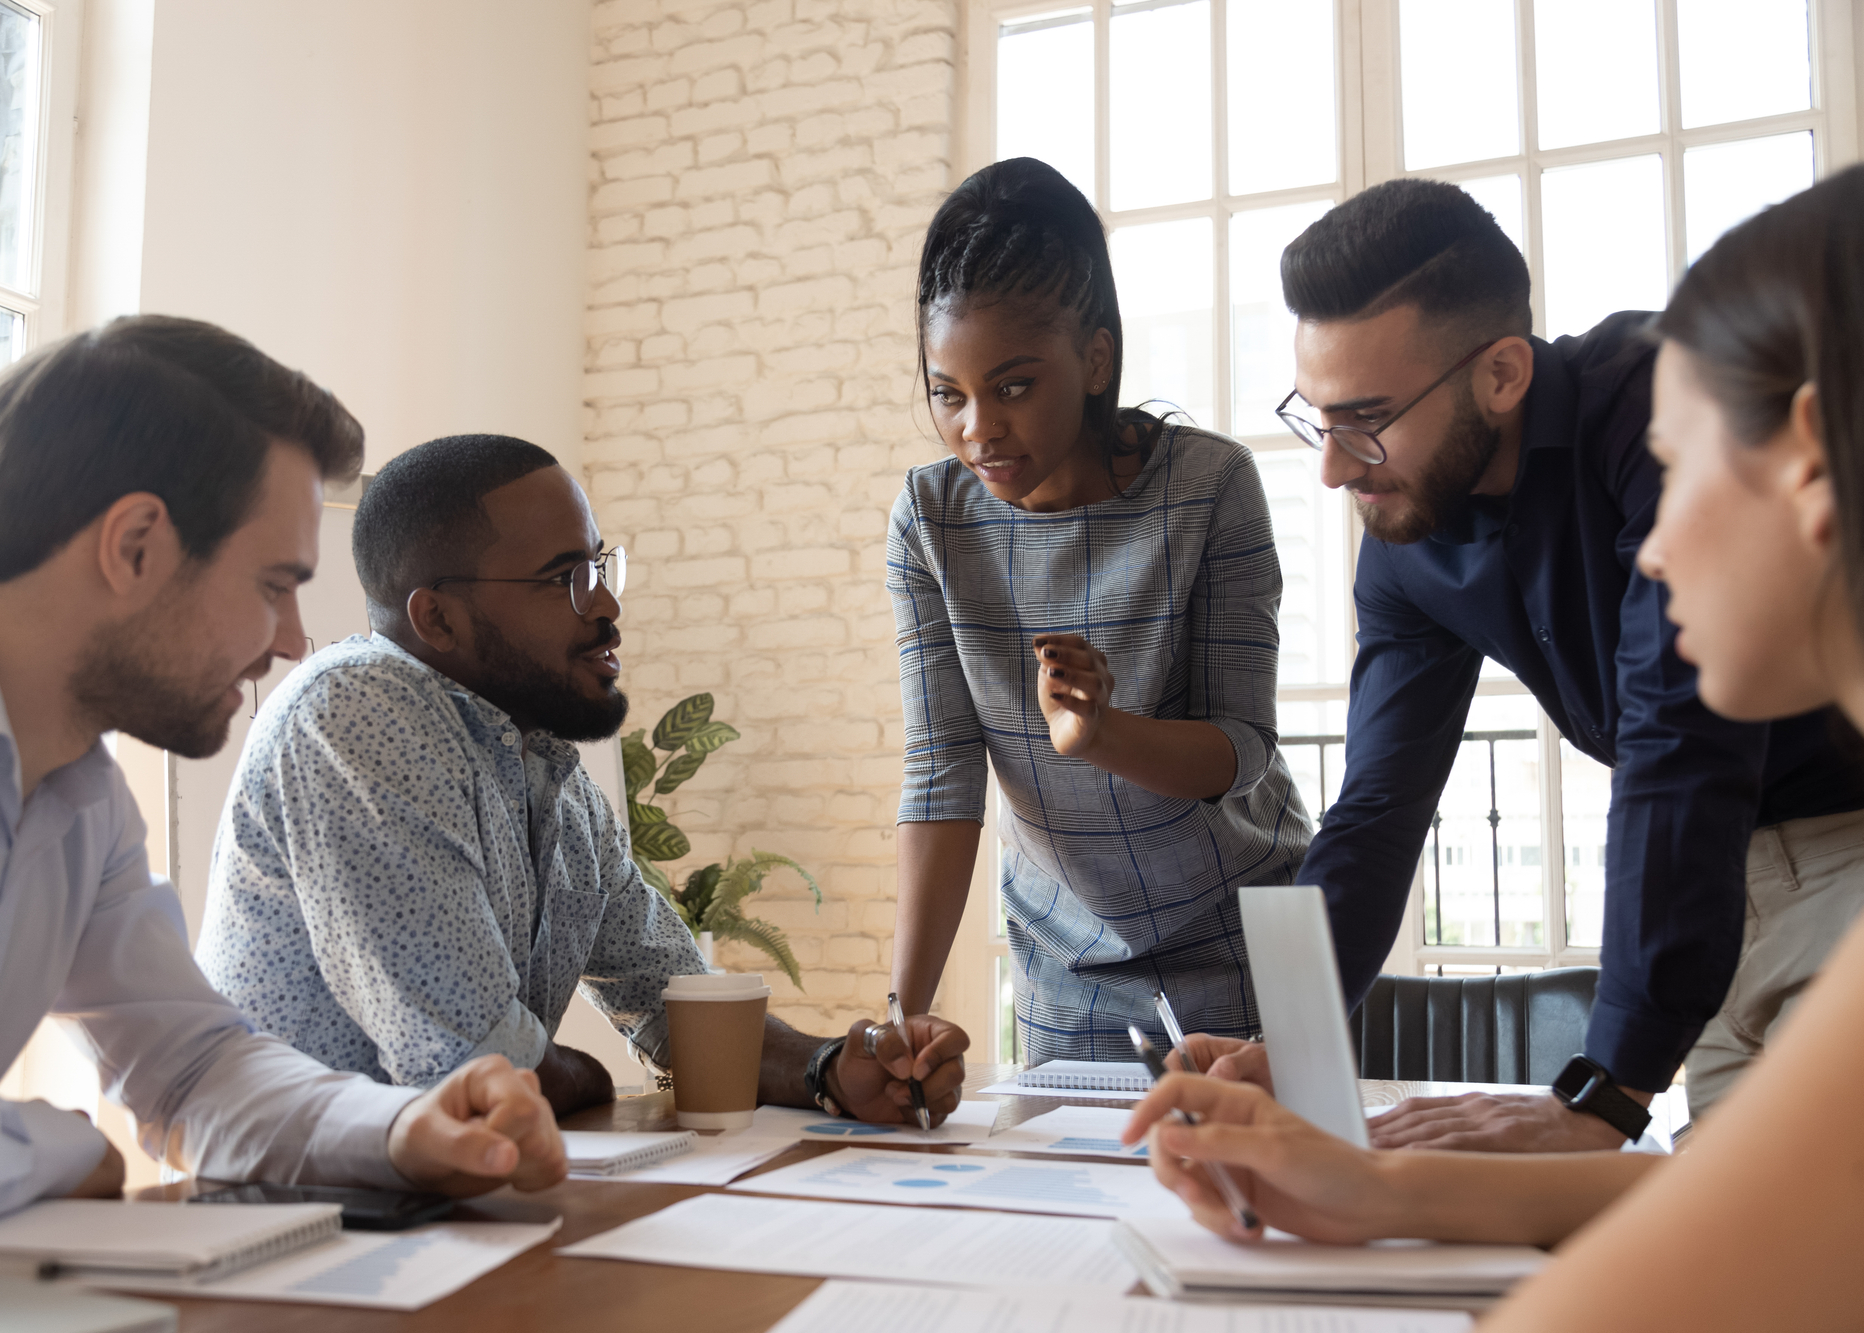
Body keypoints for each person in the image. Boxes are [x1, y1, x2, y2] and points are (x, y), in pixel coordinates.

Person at [1123, 164, 1864, 1330]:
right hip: (1709, 893)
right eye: (1318, 420)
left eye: (1364, 419)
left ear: (1501, 372)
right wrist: (1296, 1047)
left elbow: (1676, 735)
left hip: (1826, 850)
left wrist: (1605, 1087)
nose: (1329, 466)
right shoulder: (1403, 537)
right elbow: (1376, 806)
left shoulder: (1649, 404)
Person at [0, 318, 570, 1255]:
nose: (289, 640)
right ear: (137, 544)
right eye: (274, 583)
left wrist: (403, 1131)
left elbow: (191, 1067)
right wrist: (45, 1146)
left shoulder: (83, 799)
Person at [196, 434, 968, 1123]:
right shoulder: (357, 713)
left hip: (446, 1213)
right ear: (437, 619)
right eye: (563, 577)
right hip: (302, 1229)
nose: (606, 605)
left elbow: (679, 1005)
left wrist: (830, 1066)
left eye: (601, 565)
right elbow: (480, 1069)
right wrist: (586, 1078)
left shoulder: (548, 772)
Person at [885, 157, 1313, 1062]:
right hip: (1067, 967)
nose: (978, 430)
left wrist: (1101, 733)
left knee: (1256, 1201)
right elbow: (942, 777)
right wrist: (900, 1019)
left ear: (1095, 359)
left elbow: (1241, 750)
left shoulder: (1208, 486)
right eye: (947, 394)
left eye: (1011, 386)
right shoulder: (929, 519)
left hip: (1251, 943)